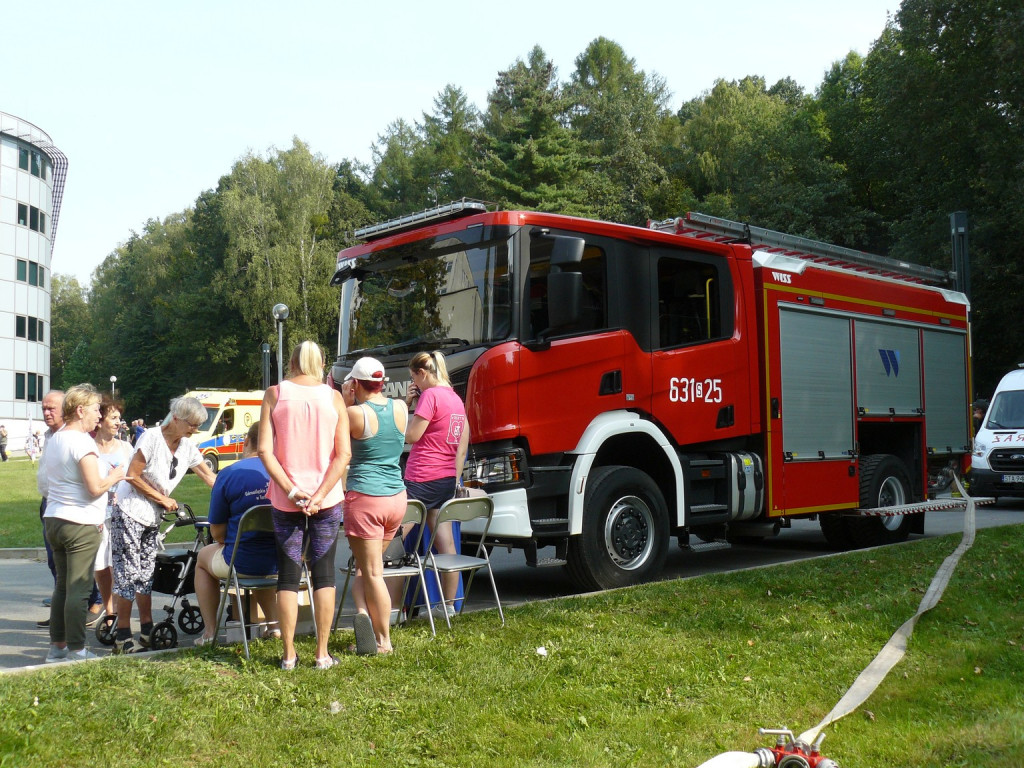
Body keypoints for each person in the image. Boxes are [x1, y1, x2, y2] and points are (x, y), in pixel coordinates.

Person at [258, 341, 350, 670]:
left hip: (286, 500)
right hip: (326, 500)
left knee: (287, 576)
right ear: (322, 362)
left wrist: (292, 489)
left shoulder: (275, 394)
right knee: (323, 575)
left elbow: (265, 451)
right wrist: (322, 492)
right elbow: (344, 455)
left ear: (293, 361)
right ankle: (323, 654)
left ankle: (288, 655)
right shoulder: (333, 397)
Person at [110, 397, 217, 654]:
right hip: (129, 512)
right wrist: (162, 499)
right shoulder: (151, 438)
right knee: (128, 574)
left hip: (151, 519)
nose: (195, 430)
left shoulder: (187, 447)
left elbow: (209, 476)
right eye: (192, 424)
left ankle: (147, 629)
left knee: (147, 573)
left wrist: (237, 488)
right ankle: (122, 635)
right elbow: (132, 475)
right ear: (177, 418)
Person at [42, 384, 126, 662]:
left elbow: (44, 482)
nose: (99, 417)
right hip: (80, 523)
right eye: (94, 410)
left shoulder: (56, 439)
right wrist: (115, 477)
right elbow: (94, 487)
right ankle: (77, 649)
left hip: (54, 518)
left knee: (63, 587)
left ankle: (58, 647)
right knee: (78, 590)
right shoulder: (82, 442)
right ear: (80, 410)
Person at [342, 357, 409, 655]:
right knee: (366, 568)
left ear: (355, 384)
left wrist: (345, 402)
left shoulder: (354, 414)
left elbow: (337, 448)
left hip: (366, 498)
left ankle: (384, 641)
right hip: (396, 498)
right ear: (382, 383)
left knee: (372, 572)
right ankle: (362, 614)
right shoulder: (401, 408)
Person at [193, 422, 278, 646]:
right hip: (286, 561)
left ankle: (210, 632)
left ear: (246, 442)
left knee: (202, 560)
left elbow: (217, 531)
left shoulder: (230, 474)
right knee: (261, 561)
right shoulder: (285, 472)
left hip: (243, 561)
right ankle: (274, 625)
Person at [401, 351, 470, 618]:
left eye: (413, 378)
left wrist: (406, 407)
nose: (414, 384)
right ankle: (449, 606)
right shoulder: (454, 398)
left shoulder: (430, 396)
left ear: (423, 373)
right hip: (445, 479)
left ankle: (393, 607)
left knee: (395, 536)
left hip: (421, 477)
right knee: (446, 545)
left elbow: (412, 436)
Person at [91, 397, 134, 627]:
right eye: (113, 418)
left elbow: (136, 477)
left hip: (122, 514)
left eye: (119, 418)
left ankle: (117, 613)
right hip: (97, 515)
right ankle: (108, 610)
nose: (118, 422)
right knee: (101, 566)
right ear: (100, 420)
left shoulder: (126, 448)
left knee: (118, 565)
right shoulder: (89, 449)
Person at [35, 390, 65, 628]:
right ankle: (61, 607)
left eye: (51, 408)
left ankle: (93, 603)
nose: (46, 412)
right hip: (47, 502)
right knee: (54, 561)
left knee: (72, 562)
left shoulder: (71, 436)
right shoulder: (48, 435)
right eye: (44, 408)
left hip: (66, 505)